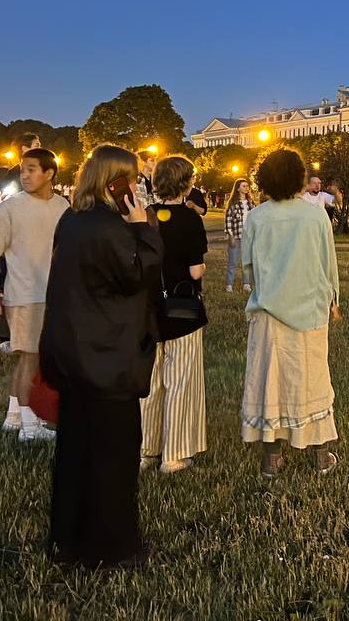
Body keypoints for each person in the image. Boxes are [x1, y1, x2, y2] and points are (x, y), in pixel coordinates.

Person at [40, 144, 161, 569]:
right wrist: (144, 226)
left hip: (73, 353)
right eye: (134, 179)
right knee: (113, 457)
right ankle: (113, 548)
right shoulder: (112, 228)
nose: (138, 186)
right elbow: (139, 274)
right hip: (107, 358)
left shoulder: (72, 219)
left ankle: (68, 540)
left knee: (75, 452)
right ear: (117, 181)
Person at [240, 148, 340, 479]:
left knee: (270, 383)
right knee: (311, 381)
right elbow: (329, 267)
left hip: (268, 315)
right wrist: (333, 301)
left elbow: (249, 271)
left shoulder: (255, 217)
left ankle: (271, 459)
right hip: (310, 314)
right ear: (299, 178)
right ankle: (321, 456)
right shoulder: (316, 216)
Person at [0, 147, 70, 442]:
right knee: (30, 358)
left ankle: (14, 415)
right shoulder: (9, 208)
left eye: (32, 169)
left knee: (35, 358)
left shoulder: (63, 206)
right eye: (23, 170)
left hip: (55, 293)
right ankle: (30, 427)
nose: (25, 175)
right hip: (24, 293)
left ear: (50, 173)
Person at [140, 155, 209, 475]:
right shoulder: (190, 220)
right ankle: (175, 453)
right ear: (187, 183)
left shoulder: (143, 217)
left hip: (145, 306)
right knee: (180, 378)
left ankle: (145, 449)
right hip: (182, 304)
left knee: (150, 380)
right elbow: (196, 270)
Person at [224, 177, 255, 293]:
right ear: (238, 188)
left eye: (247, 186)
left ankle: (246, 284)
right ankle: (229, 285)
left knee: (247, 262)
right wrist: (231, 236)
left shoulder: (251, 203)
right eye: (244, 186)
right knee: (232, 262)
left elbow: (255, 219)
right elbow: (228, 221)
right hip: (236, 236)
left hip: (249, 237)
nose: (246, 188)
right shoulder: (233, 203)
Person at [0, 132, 42, 201]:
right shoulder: (13, 174)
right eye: (37, 146)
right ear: (24, 149)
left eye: (40, 146)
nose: (40, 149)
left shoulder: (44, 171)